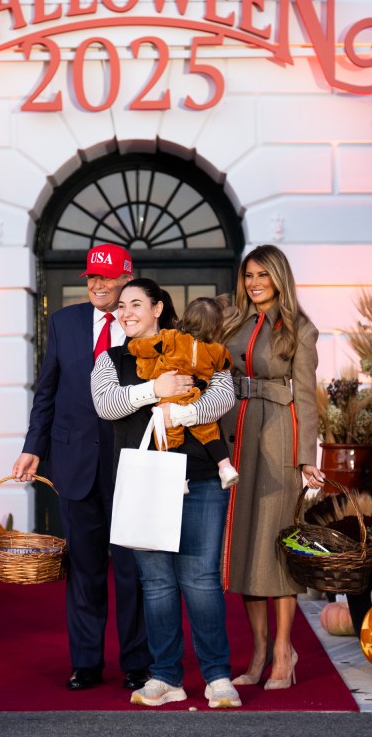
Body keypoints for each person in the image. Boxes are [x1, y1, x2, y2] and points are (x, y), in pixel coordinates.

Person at [91, 278, 242, 708]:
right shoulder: (110, 359)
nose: (126, 312)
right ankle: (166, 677)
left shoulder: (191, 346)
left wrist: (184, 410)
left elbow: (224, 392)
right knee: (155, 583)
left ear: (158, 308)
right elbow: (106, 405)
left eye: (136, 304)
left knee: (200, 580)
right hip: (145, 480)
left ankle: (217, 677)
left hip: (200, 478)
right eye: (121, 306)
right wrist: (153, 391)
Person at [11, 244, 151, 692]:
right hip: (74, 461)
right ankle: (86, 663)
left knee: (132, 567)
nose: (96, 284)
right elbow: (46, 391)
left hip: (130, 461)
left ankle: (137, 662)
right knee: (85, 568)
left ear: (127, 279)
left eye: (106, 278)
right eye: (92, 276)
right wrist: (33, 446)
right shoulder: (64, 322)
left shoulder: (145, 324)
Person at [220, 245, 325, 691]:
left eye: (263, 274)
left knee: (276, 548)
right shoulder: (233, 323)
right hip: (236, 436)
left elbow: (306, 394)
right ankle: (259, 650)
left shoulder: (300, 328)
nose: (255, 282)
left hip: (279, 438)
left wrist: (306, 457)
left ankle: (284, 650)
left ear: (280, 277)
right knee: (244, 547)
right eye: (249, 275)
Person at [127, 296, 239, 489]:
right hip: (194, 394)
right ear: (216, 327)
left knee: (169, 435)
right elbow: (226, 363)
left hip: (171, 397)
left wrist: (133, 345)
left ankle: (178, 478)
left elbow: (146, 346)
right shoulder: (215, 349)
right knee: (210, 432)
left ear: (186, 318)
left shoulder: (171, 338)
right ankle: (225, 467)